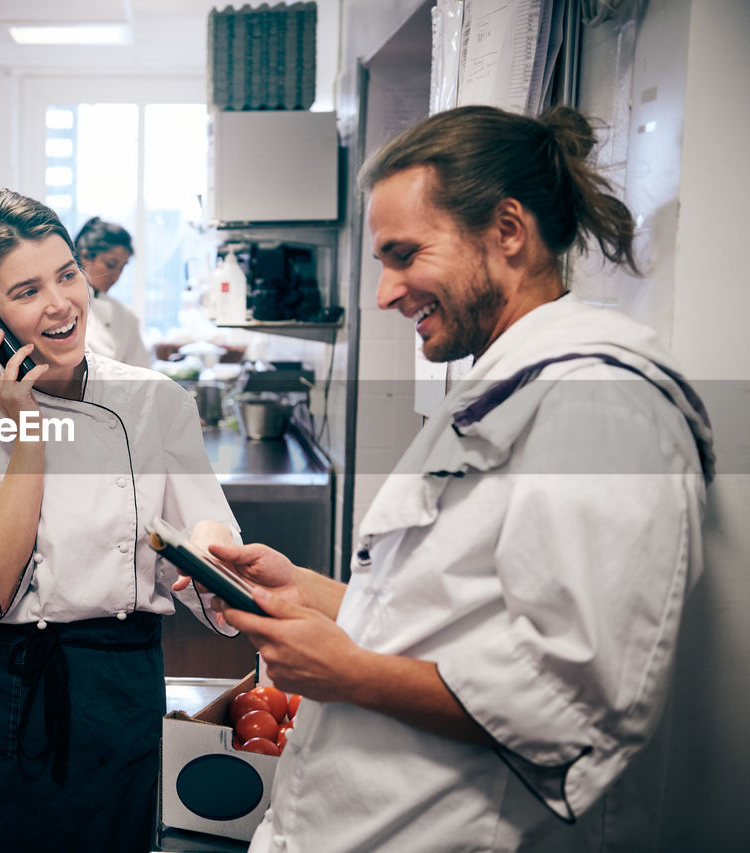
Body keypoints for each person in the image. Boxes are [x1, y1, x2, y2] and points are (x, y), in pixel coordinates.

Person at [183, 105, 715, 851]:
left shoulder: (603, 407)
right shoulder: (506, 387)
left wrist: (350, 673)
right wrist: (305, 590)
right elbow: (449, 618)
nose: (384, 292)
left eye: (405, 254)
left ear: (507, 231)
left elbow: (578, 701)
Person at [0, 189, 241, 852]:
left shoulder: (154, 403)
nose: (60, 302)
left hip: (119, 695)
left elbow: (208, 542)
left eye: (66, 275)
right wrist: (26, 425)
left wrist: (211, 559)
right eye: (26, 290)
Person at [76, 216, 153, 367]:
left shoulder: (126, 317)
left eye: (122, 267)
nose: (117, 275)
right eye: (111, 264)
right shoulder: (63, 305)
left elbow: (141, 372)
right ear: (84, 256)